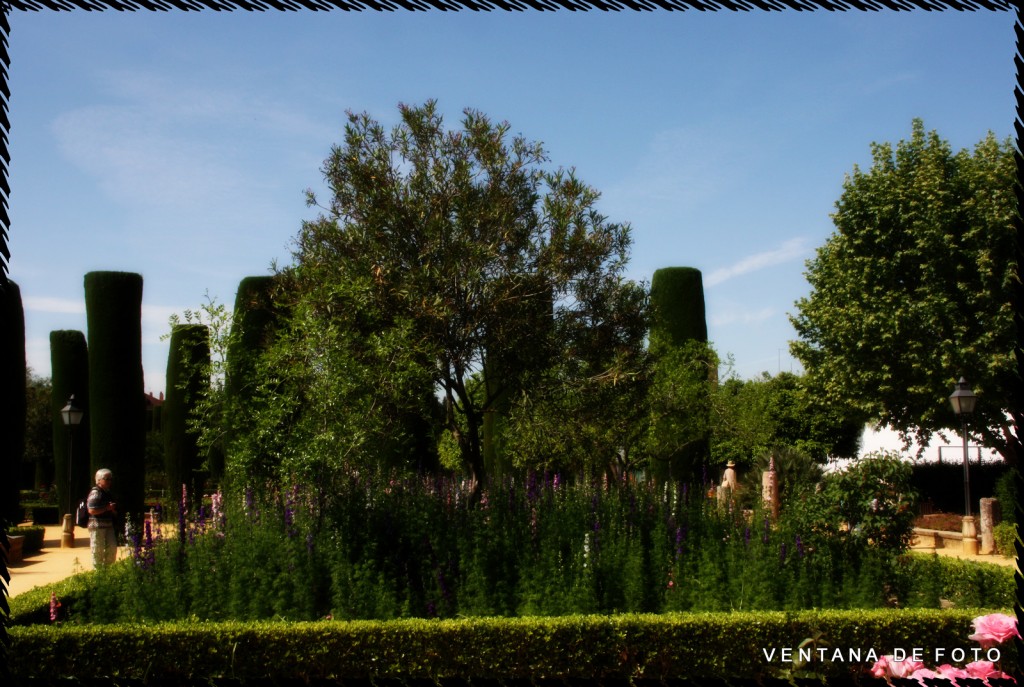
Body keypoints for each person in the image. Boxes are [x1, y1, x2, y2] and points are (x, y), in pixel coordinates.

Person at [87, 468, 118, 568]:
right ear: (99, 480)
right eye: (106, 479)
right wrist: (107, 508)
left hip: (108, 525)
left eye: (110, 479)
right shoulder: (96, 493)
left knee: (112, 548)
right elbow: (91, 510)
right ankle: (98, 574)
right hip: (97, 526)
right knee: (97, 550)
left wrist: (112, 510)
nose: (109, 481)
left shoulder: (107, 492)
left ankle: (108, 571)